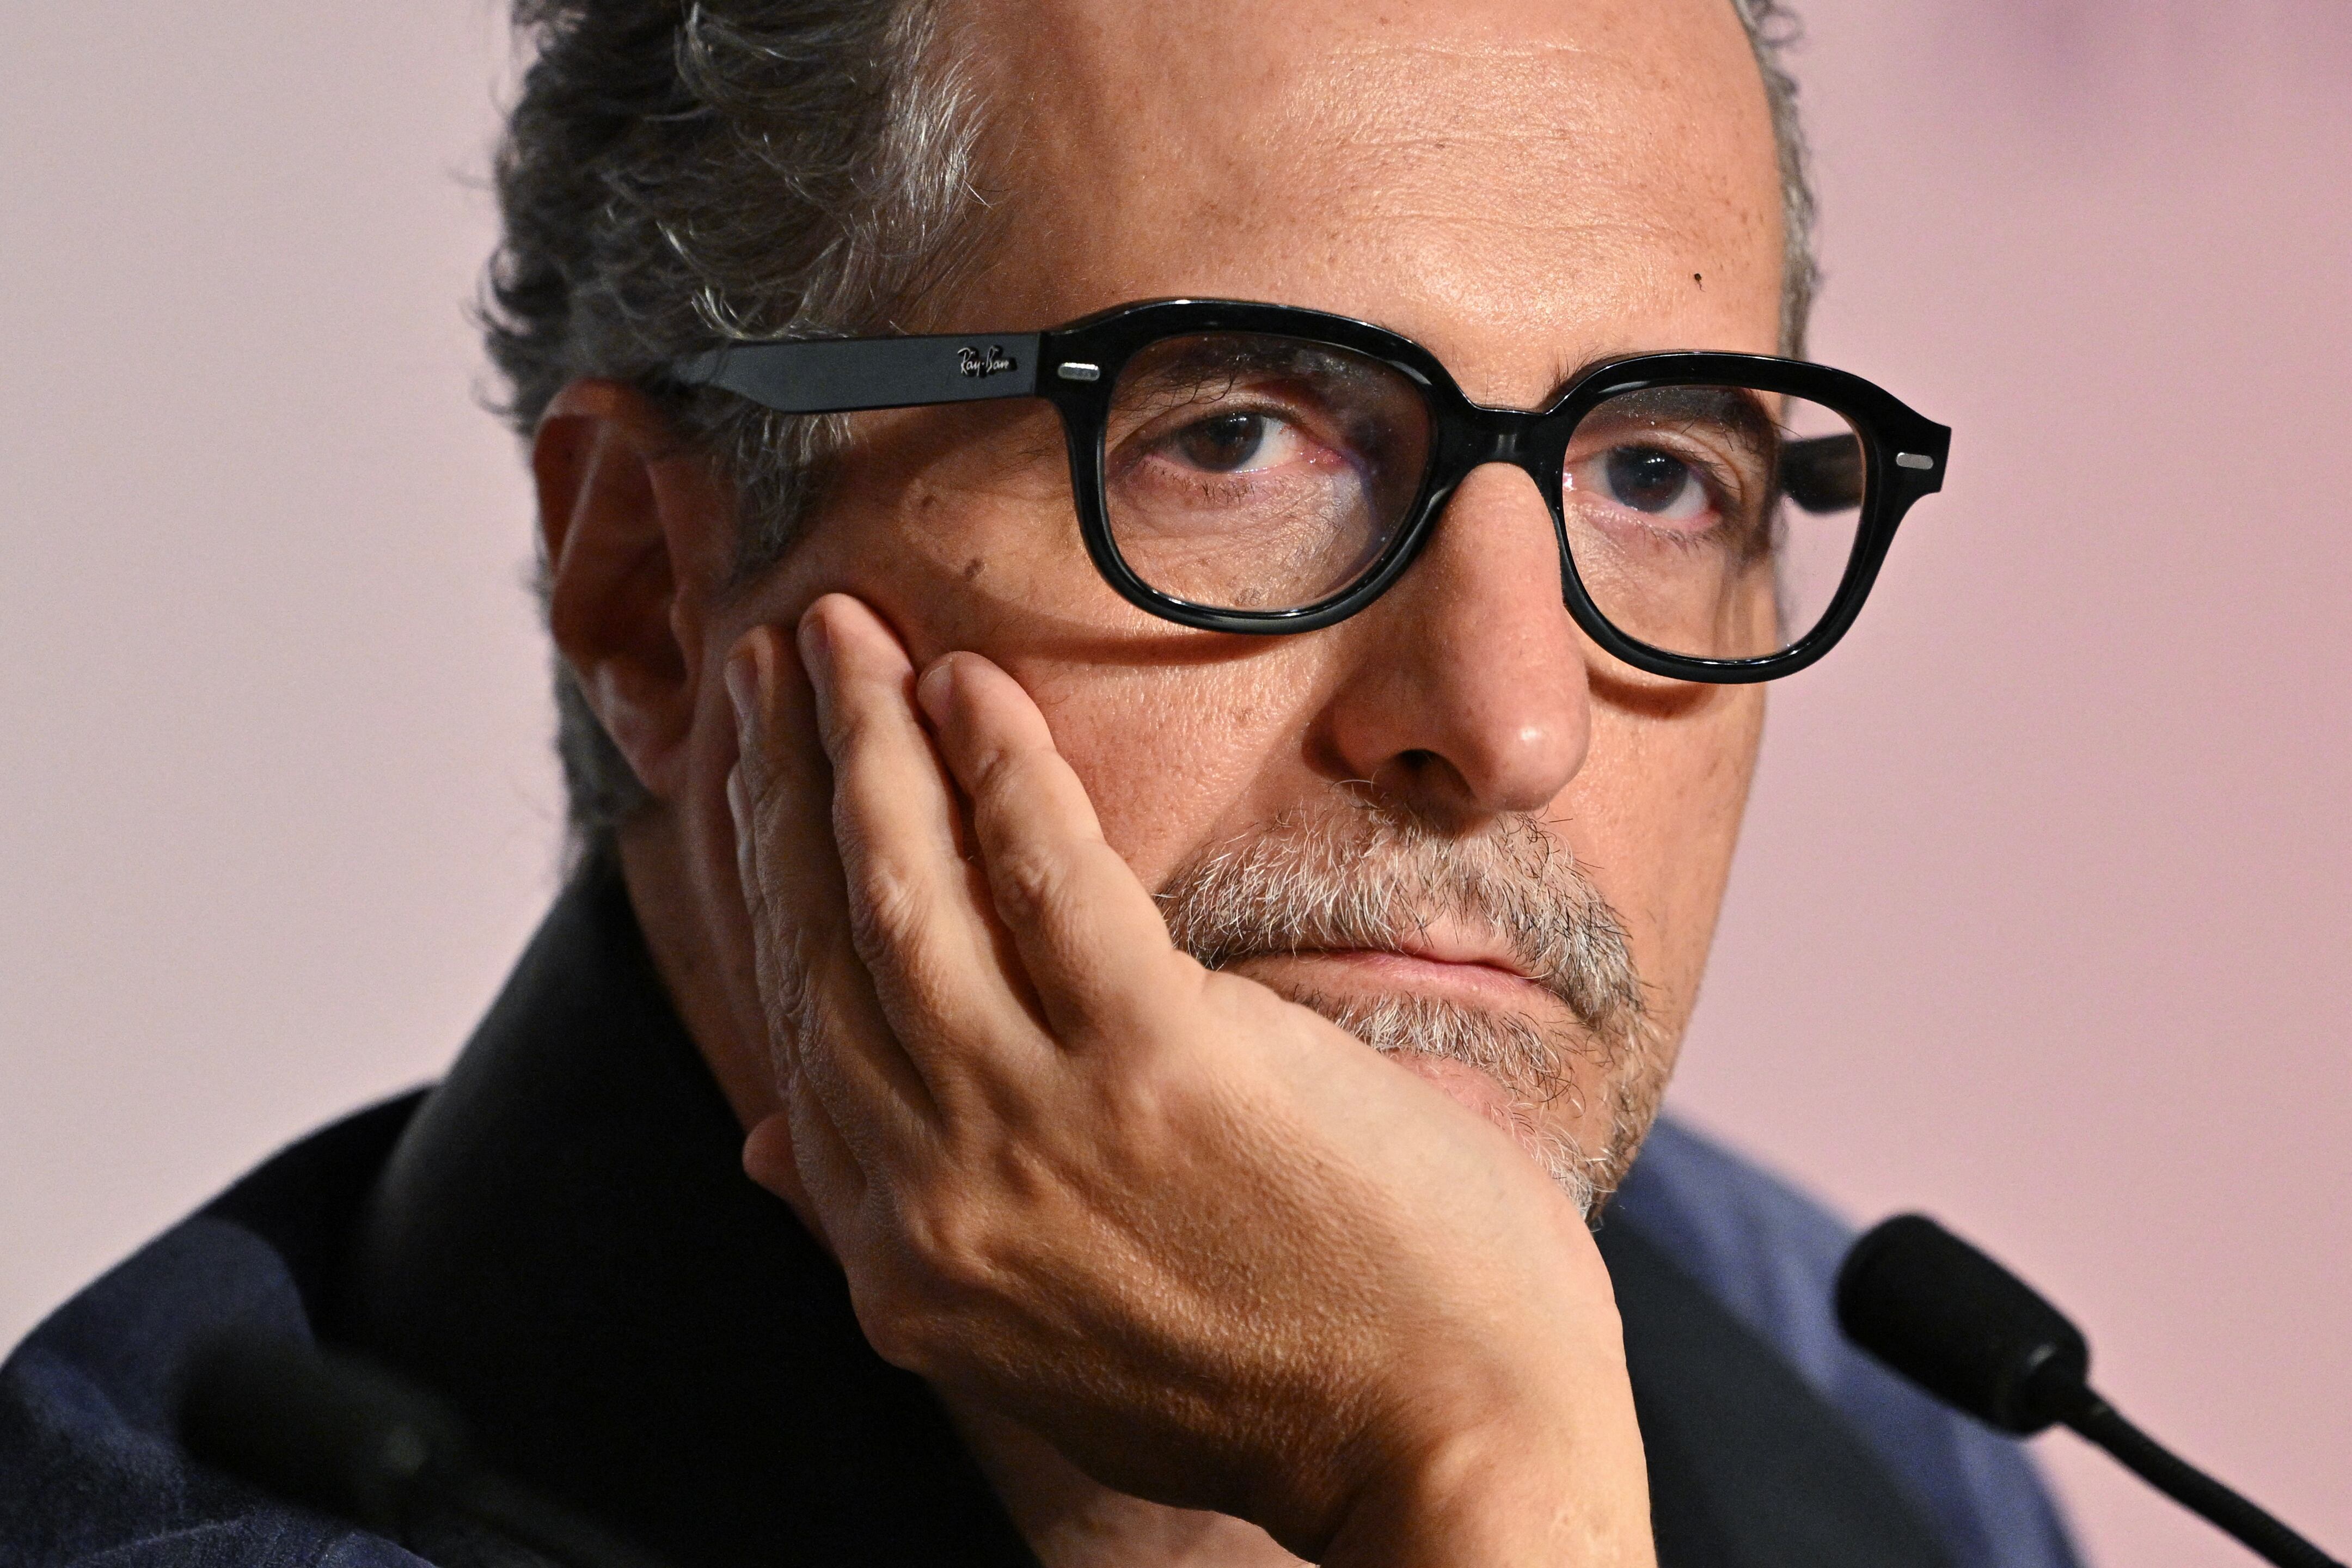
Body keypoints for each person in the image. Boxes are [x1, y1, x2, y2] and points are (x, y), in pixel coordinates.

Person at [0, 0, 2083, 1564]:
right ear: (648, 592)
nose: (1510, 721)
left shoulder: (1881, 1428)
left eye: (1655, 476)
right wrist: (1471, 1476)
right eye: (1236, 439)